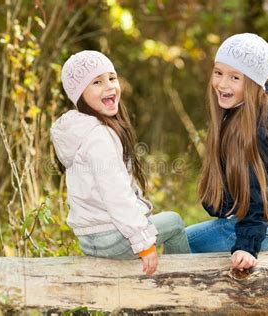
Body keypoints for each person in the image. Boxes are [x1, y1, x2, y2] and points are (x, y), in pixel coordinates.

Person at [51, 50, 190, 276]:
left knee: (158, 223)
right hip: (111, 237)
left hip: (90, 238)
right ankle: (188, 280)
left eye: (112, 78)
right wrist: (143, 243)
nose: (109, 86)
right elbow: (116, 195)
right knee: (174, 222)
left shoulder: (82, 132)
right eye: (97, 82)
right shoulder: (98, 136)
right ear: (79, 94)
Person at [186, 33, 268, 271]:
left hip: (263, 225)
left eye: (235, 77)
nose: (223, 84)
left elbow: (257, 192)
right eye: (218, 72)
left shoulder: (251, 131)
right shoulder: (240, 111)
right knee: (185, 238)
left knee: (182, 244)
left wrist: (246, 246)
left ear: (254, 83)